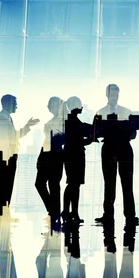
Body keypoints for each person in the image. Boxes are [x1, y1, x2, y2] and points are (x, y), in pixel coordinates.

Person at [93, 84, 139, 226]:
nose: (114, 97)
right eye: (112, 95)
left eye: (116, 95)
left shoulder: (126, 111)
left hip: (123, 147)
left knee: (127, 184)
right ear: (107, 95)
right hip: (111, 147)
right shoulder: (101, 112)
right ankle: (109, 214)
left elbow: (134, 133)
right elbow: (94, 132)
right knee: (109, 183)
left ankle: (129, 215)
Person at [0, 94, 40, 216]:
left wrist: (27, 126)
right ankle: (2, 210)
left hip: (7, 154)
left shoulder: (6, 117)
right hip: (6, 154)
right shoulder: (3, 118)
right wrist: (11, 155)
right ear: (8, 104)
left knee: (7, 182)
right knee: (5, 183)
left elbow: (14, 136)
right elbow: (5, 140)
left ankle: (4, 209)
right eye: (15, 103)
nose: (17, 106)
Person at [62, 96, 93, 224]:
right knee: (73, 185)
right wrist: (90, 140)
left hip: (71, 154)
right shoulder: (73, 123)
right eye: (80, 105)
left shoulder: (70, 122)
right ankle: (70, 211)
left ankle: (71, 211)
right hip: (76, 155)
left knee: (74, 184)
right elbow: (77, 140)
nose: (82, 107)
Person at [35, 97, 67, 220]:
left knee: (53, 184)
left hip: (55, 155)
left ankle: (54, 211)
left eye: (55, 105)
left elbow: (62, 138)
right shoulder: (51, 122)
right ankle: (53, 210)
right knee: (43, 184)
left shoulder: (63, 121)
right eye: (51, 105)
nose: (52, 108)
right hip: (48, 154)